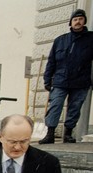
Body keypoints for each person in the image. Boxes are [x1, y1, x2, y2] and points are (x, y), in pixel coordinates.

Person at [39, 9, 93, 144]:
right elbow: (51, 61)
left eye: (80, 19)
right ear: (71, 23)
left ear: (84, 21)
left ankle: (68, 134)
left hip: (81, 81)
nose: (78, 22)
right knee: (55, 105)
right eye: (75, 19)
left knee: (75, 108)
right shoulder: (60, 40)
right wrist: (47, 79)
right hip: (60, 80)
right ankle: (50, 133)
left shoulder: (91, 39)